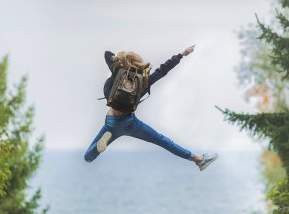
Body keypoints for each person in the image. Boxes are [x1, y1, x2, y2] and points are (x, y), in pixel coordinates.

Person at [84, 45, 218, 171]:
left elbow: (107, 54)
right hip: (130, 123)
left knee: (88, 157)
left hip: (111, 122)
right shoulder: (143, 81)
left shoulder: (117, 72)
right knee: (162, 141)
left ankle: (99, 146)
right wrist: (181, 54)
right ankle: (199, 160)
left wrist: (121, 62)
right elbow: (163, 70)